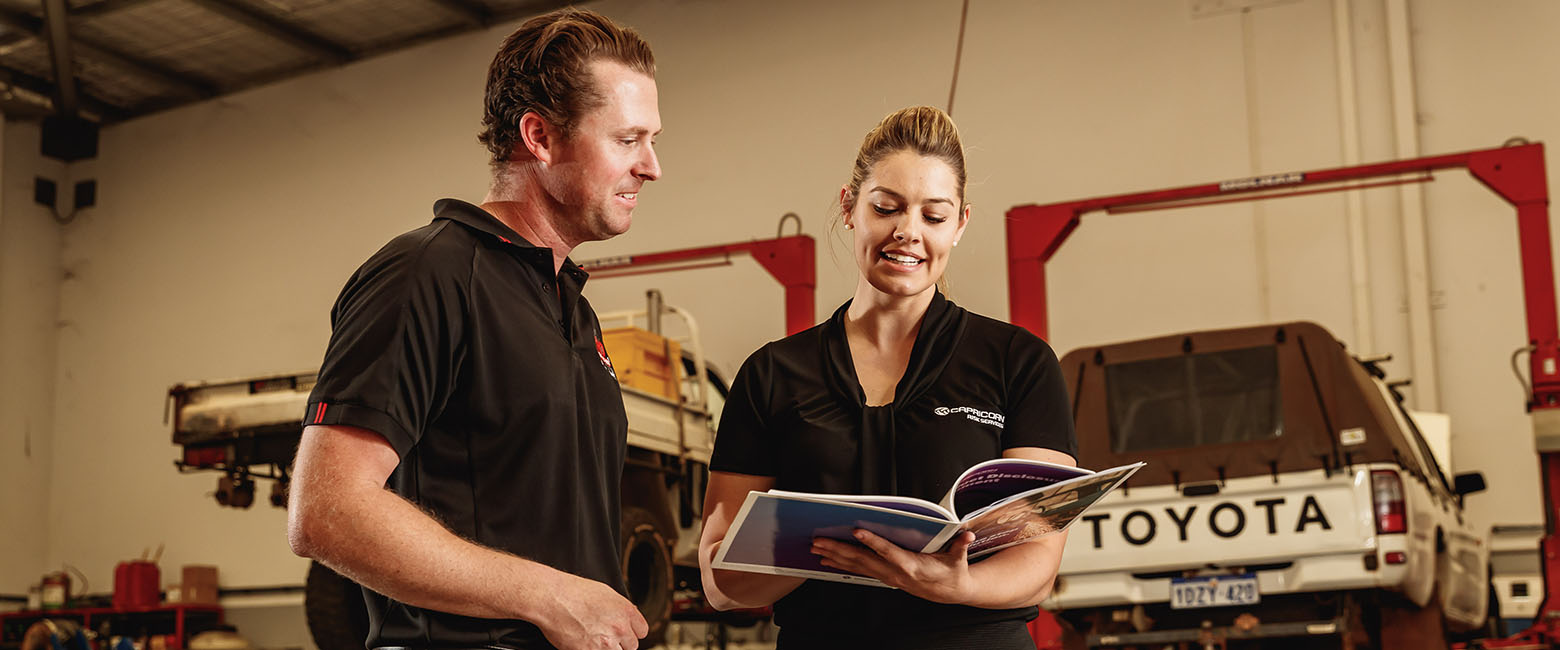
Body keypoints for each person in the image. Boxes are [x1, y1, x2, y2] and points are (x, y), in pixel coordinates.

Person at [286, 8, 662, 650]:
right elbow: (327, 510)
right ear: (539, 137)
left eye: (652, 140)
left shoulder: (573, 304)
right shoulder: (427, 272)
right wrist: (550, 596)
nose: (651, 166)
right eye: (627, 141)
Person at [697, 106, 1078, 649]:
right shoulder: (771, 375)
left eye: (934, 216)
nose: (908, 233)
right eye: (887, 208)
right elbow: (720, 580)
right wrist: (825, 549)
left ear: (961, 224)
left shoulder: (1018, 362)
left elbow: (1037, 562)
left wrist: (958, 583)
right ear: (850, 208)